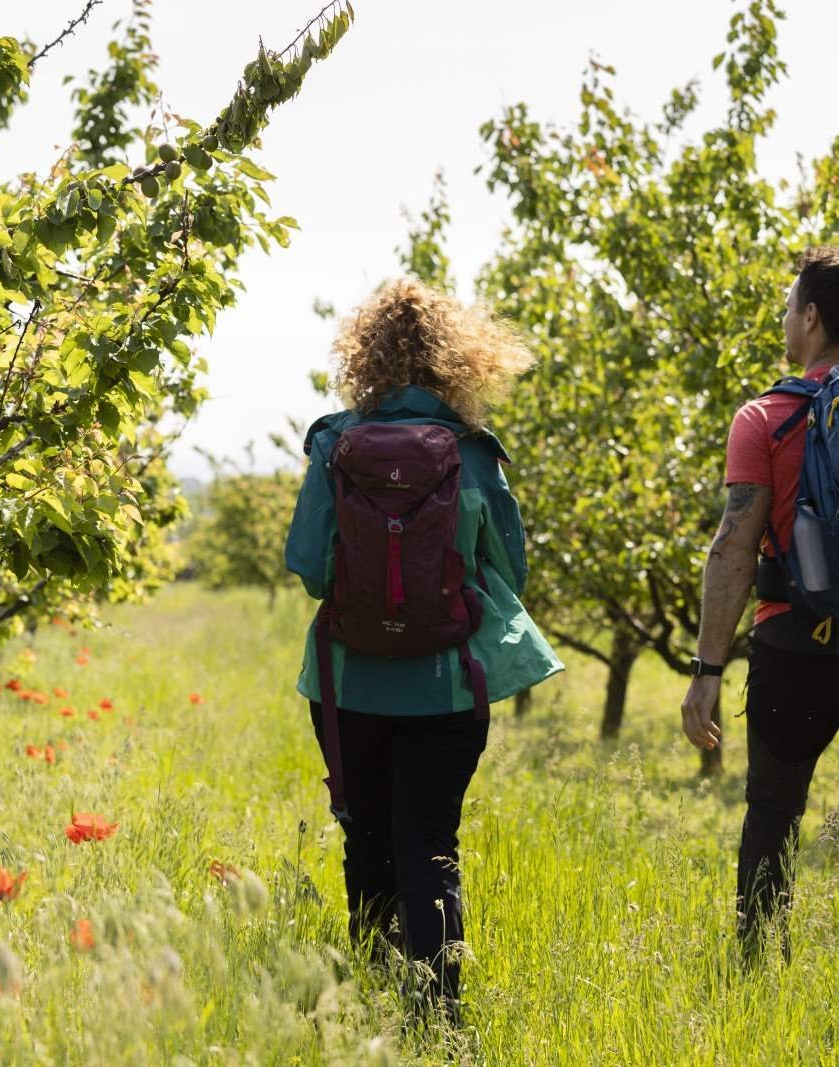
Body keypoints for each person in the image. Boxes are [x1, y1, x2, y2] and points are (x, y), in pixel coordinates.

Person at [285, 277, 563, 1023]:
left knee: (367, 842)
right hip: (447, 686)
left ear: (364, 355)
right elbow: (511, 570)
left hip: (347, 684)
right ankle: (439, 1018)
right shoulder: (472, 453)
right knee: (430, 844)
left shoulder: (333, 445)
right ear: (460, 359)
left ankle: (374, 1005)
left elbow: (308, 565)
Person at [681, 245, 839, 1029]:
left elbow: (734, 546)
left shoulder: (766, 416)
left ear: (811, 317)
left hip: (793, 649)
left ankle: (757, 986)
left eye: (790, 307)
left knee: (773, 816)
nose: (787, 319)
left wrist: (707, 667)